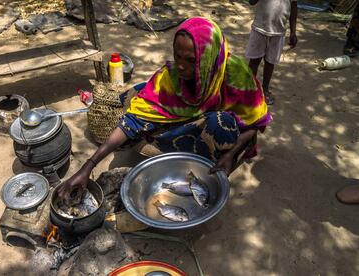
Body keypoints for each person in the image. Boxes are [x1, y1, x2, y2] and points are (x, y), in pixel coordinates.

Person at [58, 17, 272, 204]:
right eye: (177, 56)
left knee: (220, 123)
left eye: (191, 60)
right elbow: (133, 120)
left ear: (208, 59)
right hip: (193, 123)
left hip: (228, 132)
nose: (180, 66)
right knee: (141, 96)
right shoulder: (172, 76)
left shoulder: (237, 76)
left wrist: (232, 154)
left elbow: (255, 124)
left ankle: (214, 161)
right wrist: (88, 166)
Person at [245, 0, 298, 105]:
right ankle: (249, 89)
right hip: (259, 29)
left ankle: (265, 89)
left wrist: (293, 32)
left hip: (278, 32)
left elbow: (294, 8)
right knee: (254, 62)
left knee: (270, 63)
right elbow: (251, 2)